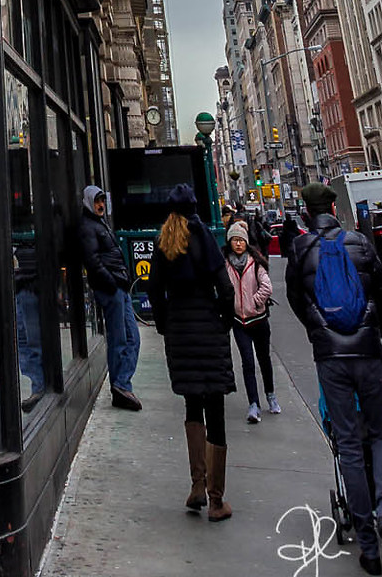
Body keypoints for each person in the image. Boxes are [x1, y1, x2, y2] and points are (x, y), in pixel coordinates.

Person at [286, 180, 382, 577]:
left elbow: (296, 300)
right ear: (333, 210)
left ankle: (368, 546)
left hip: (331, 359)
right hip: (368, 352)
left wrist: (319, 333)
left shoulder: (300, 249)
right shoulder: (360, 244)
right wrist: (377, 332)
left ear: (306, 212)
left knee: (348, 445)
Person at [149, 181, 236, 520]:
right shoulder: (204, 238)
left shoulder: (165, 242)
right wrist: (224, 321)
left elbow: (154, 290)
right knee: (215, 408)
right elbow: (226, 289)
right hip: (208, 329)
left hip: (181, 332)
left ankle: (197, 485)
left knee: (192, 406)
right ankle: (216, 501)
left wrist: (163, 324)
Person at [79, 183, 142, 411]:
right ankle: (121, 386)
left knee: (131, 337)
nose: (100, 205)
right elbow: (93, 261)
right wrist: (112, 283)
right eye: (97, 201)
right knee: (120, 338)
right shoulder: (89, 227)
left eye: (102, 200)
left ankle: (121, 384)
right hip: (112, 288)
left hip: (118, 287)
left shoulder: (100, 224)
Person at [224, 218, 281, 421]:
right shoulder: (226, 265)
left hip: (259, 319)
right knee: (248, 362)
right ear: (229, 242)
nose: (238, 243)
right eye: (234, 240)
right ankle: (253, 404)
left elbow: (267, 286)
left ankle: (271, 395)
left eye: (241, 240)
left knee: (264, 359)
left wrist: (255, 301)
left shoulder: (255, 263)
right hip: (239, 322)